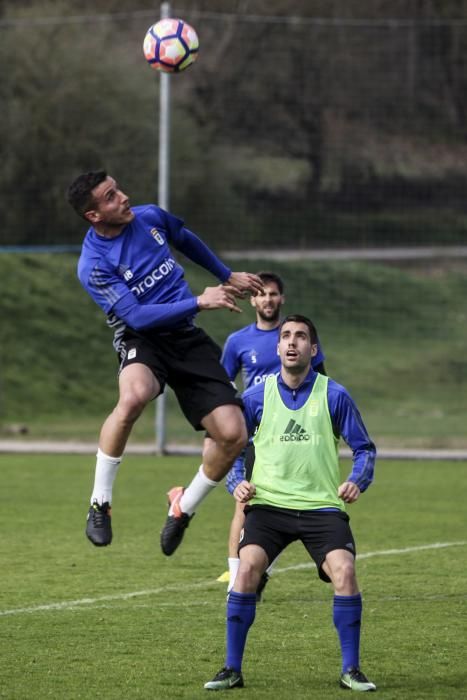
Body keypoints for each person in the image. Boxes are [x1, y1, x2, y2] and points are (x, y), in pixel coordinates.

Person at [66, 170, 264, 553]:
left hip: (186, 337)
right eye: (110, 197)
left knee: (233, 434)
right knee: (134, 396)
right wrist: (200, 300)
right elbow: (137, 317)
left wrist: (226, 274)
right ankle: (100, 503)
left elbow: (184, 238)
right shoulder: (93, 264)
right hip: (144, 339)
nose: (122, 197)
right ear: (94, 215)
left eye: (118, 188)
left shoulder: (150, 217)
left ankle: (183, 507)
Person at [204, 314, 377, 692]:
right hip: (268, 507)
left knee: (344, 572)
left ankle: (352, 670)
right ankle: (231, 669)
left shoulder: (334, 395)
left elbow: (364, 448)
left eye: (301, 336)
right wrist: (237, 482)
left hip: (321, 508)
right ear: (278, 347)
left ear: (313, 350)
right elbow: (229, 447)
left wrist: (356, 480)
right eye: (285, 336)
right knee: (246, 570)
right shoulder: (254, 397)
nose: (292, 342)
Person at [216, 272, 326, 598]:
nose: (267, 300)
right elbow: (221, 387)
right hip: (257, 435)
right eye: (261, 294)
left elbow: (320, 383)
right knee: (245, 503)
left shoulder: (297, 338)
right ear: (252, 300)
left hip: (294, 433)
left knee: (298, 498)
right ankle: (239, 580)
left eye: (274, 294)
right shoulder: (238, 341)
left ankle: (326, 553)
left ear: (282, 299)